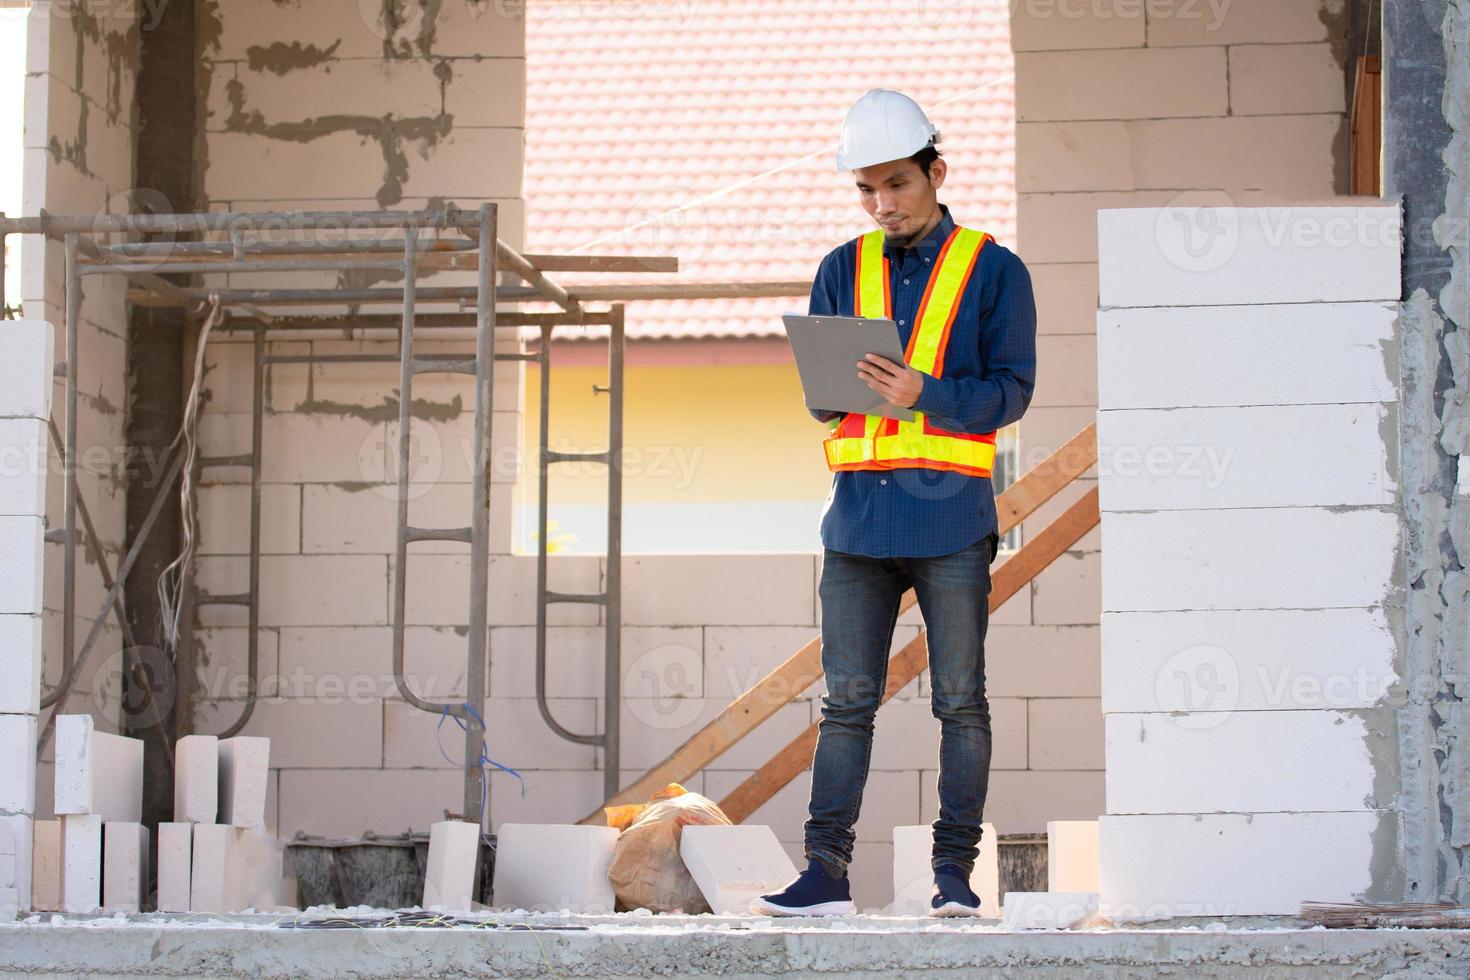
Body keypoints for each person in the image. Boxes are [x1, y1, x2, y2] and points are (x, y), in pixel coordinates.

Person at [750, 89, 1037, 917]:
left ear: (936, 173)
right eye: (867, 190)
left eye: (897, 185)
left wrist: (923, 391)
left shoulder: (994, 270)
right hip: (858, 524)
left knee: (960, 701)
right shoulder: (843, 268)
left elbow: (1011, 392)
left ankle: (953, 878)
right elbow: (823, 401)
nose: (883, 205)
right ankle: (825, 874)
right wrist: (834, 391)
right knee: (845, 705)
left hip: (951, 521)